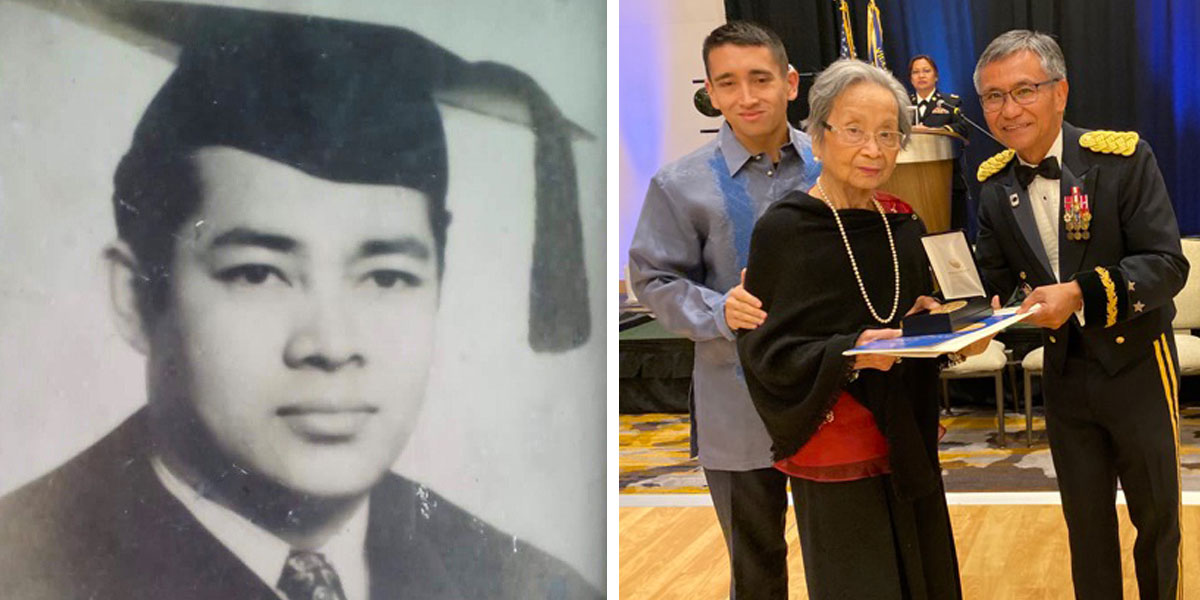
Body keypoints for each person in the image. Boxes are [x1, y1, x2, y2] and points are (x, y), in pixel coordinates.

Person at [0, 11, 599, 600]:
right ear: (134, 298)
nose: (332, 345)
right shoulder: (24, 568)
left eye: (388, 277)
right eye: (258, 273)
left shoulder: (522, 586)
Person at [737, 58, 984, 600]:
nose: (873, 149)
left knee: (926, 575)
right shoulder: (785, 231)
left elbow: (910, 321)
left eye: (887, 134)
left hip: (908, 434)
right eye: (854, 131)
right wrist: (847, 353)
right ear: (818, 135)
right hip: (836, 446)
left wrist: (949, 329)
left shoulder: (902, 222)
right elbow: (765, 353)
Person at [972, 30, 1187, 600]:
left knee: (1156, 522)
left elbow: (1166, 266)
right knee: (1086, 528)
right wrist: (965, 316)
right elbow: (995, 287)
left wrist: (1081, 295)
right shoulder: (993, 187)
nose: (1009, 110)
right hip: (1064, 375)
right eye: (993, 97)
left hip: (1138, 363)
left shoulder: (1120, 159)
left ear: (1060, 92)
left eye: (1024, 90)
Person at [627, 21, 819, 599]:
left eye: (761, 78)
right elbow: (653, 278)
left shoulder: (831, 164)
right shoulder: (679, 183)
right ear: (710, 92)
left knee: (841, 548)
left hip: (830, 396)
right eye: (728, 83)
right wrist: (719, 310)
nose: (746, 96)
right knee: (755, 564)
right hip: (735, 404)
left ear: (790, 83)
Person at [909, 54, 971, 231]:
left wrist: (930, 131)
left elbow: (963, 129)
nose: (921, 75)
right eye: (916, 72)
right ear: (911, 79)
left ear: (935, 76)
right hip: (911, 178)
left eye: (926, 71)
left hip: (946, 176)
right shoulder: (902, 104)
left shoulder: (950, 102)